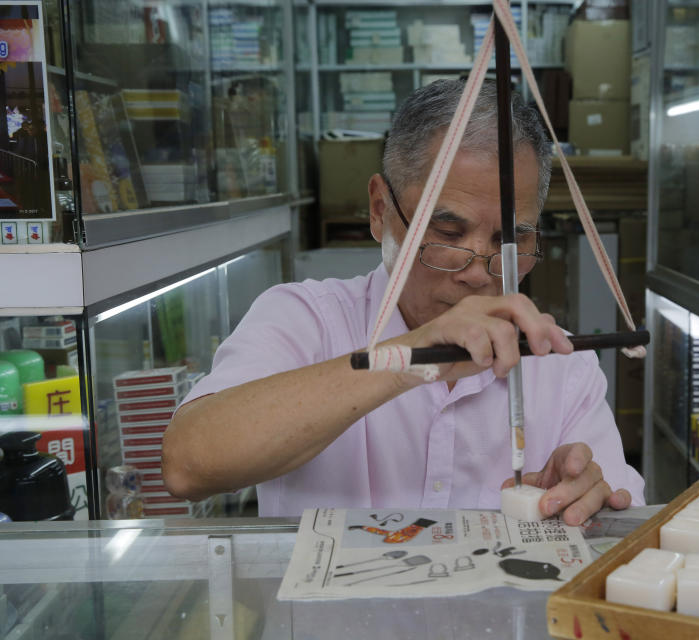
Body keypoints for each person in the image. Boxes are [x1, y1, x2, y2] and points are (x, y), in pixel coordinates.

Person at [163, 79, 645, 525]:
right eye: (448, 232)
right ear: (380, 211)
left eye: (510, 240)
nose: (479, 271)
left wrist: (586, 497)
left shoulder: (560, 367)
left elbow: (618, 515)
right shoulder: (306, 320)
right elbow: (188, 465)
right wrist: (407, 358)